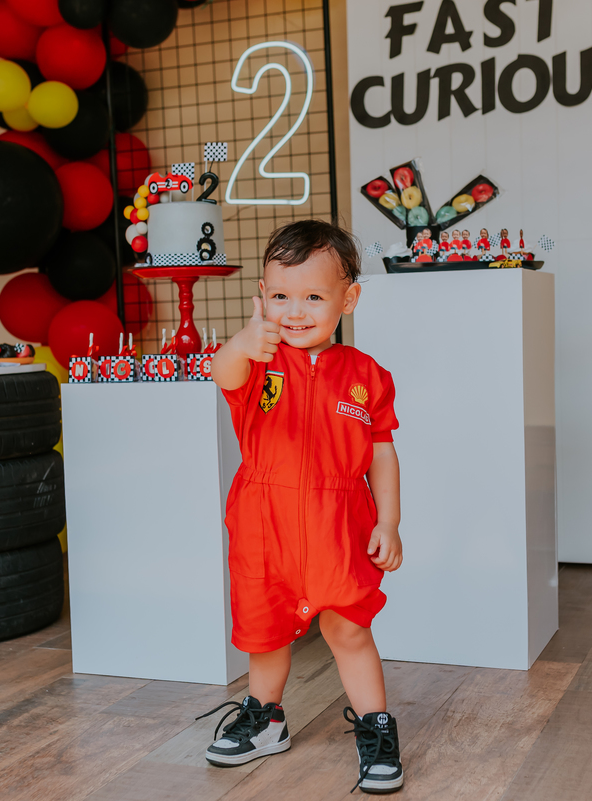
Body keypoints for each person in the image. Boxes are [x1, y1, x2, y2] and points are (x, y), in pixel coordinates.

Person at [204, 220, 405, 794]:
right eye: (281, 296)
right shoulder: (257, 361)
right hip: (264, 525)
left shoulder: (367, 376)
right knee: (265, 633)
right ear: (262, 298)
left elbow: (382, 455)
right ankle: (265, 719)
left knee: (349, 629)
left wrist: (389, 521)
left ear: (349, 299)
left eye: (314, 297)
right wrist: (241, 343)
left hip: (339, 525)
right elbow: (222, 372)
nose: (295, 312)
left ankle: (376, 729)